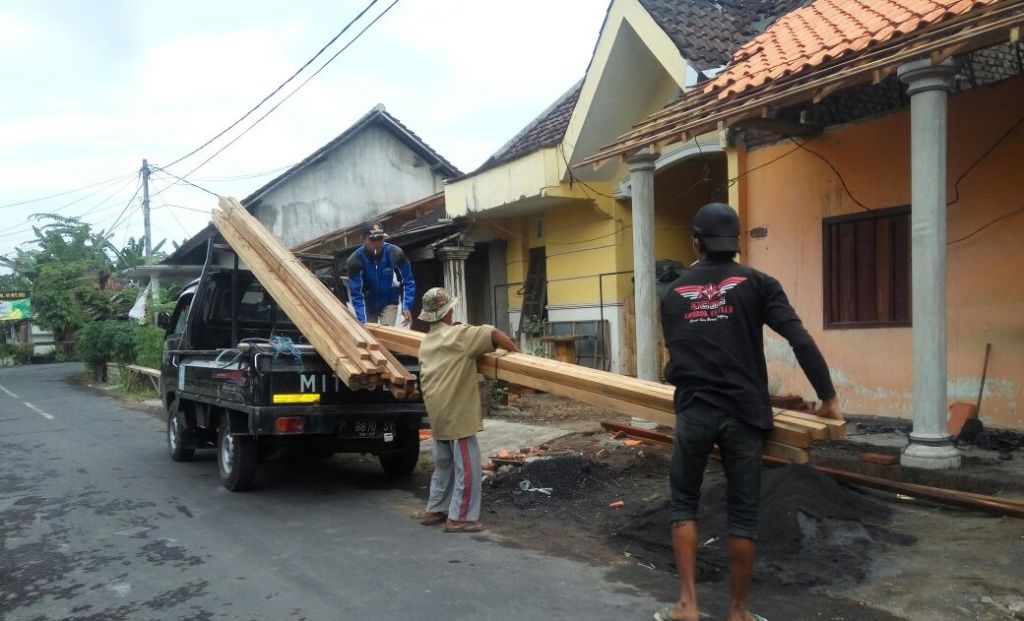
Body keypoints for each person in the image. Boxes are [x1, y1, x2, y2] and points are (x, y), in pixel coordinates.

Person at [655, 202, 842, 621]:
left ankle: (688, 606)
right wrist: (827, 398)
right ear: (734, 243)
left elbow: (680, 352)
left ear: (696, 243)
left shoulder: (673, 293)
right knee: (743, 514)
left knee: (683, 504)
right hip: (744, 413)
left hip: (695, 410)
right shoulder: (759, 283)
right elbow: (800, 340)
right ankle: (738, 613)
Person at [415, 287, 519, 533]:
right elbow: (493, 333)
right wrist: (518, 355)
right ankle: (459, 518)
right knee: (468, 468)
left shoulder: (426, 342)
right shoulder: (459, 335)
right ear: (448, 312)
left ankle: (435, 509)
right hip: (458, 413)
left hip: (437, 413)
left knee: (444, 466)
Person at [345, 222, 415, 326]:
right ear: (363, 239)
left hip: (389, 302)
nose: (377, 243)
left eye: (380, 239)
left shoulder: (394, 253)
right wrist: (362, 320)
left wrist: (407, 306)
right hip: (367, 305)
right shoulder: (355, 260)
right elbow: (356, 294)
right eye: (372, 239)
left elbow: (408, 281)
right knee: (369, 332)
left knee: (386, 332)